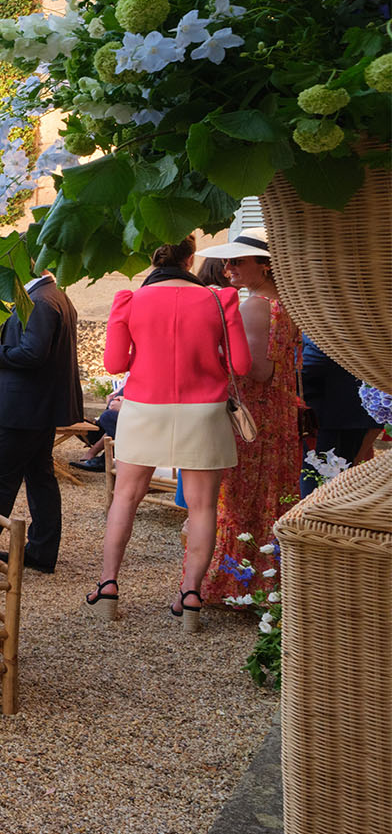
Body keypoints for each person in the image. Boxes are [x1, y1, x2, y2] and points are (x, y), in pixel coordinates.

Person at [93, 237, 249, 631]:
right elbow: (242, 365)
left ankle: (108, 587)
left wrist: (143, 355)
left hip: (145, 406)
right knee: (203, 508)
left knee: (125, 497)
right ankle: (190, 595)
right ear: (190, 258)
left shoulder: (129, 300)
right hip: (204, 410)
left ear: (153, 257)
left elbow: (114, 363)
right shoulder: (221, 300)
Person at [200, 230, 299, 605]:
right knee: (267, 496)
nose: (228, 268)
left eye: (238, 261)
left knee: (243, 499)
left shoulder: (257, 306)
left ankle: (238, 584)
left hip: (255, 417)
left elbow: (257, 371)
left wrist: (216, 350)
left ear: (265, 265)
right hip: (276, 413)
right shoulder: (285, 303)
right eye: (228, 261)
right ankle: (266, 582)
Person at [0, 266, 82, 571]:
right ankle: (41, 551)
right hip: (38, 407)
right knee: (40, 477)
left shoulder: (39, 300)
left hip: (24, 410)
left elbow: (33, 353)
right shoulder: (53, 294)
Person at [300, 334, 377, 495]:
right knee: (343, 481)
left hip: (328, 413)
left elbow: (316, 360)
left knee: (319, 484)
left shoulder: (326, 327)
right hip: (355, 409)